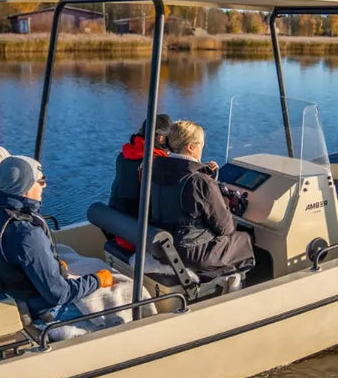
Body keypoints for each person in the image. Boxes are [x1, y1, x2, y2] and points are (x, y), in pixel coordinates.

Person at [0, 155, 115, 321]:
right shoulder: (26, 233)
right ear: (26, 185)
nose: (45, 185)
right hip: (41, 310)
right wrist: (97, 279)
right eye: (41, 180)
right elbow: (59, 294)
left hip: (13, 293)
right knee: (124, 300)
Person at [149, 120, 255, 277]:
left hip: (162, 249)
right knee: (243, 239)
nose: (202, 149)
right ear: (191, 147)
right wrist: (225, 203)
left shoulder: (155, 170)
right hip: (192, 254)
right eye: (201, 145)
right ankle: (232, 290)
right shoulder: (200, 181)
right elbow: (225, 228)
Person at [109, 113, 171, 251]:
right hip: (136, 240)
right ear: (161, 138)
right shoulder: (154, 163)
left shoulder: (123, 156)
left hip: (119, 230)